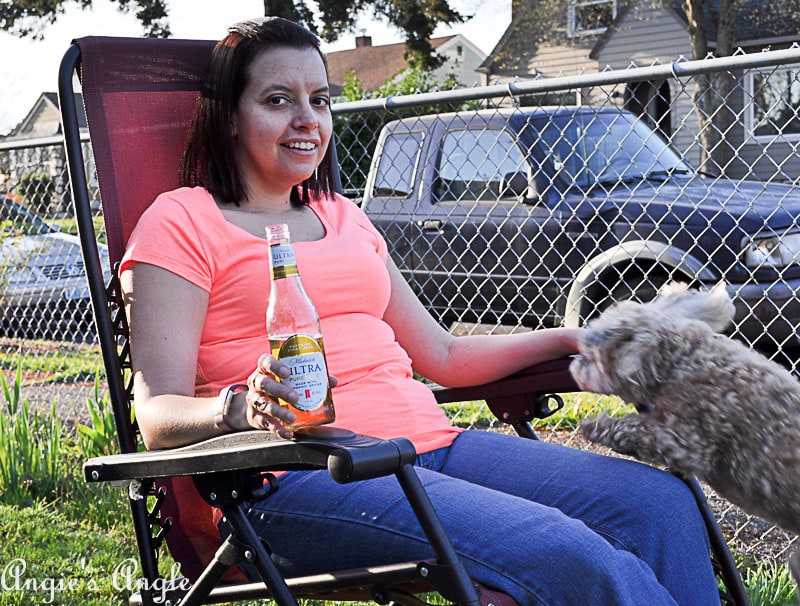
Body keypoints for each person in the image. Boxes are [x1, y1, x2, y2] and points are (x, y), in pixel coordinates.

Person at [119, 16, 720, 605]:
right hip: (299, 475)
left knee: (660, 505)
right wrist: (242, 410)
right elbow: (156, 414)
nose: (308, 120)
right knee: (567, 553)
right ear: (228, 116)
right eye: (278, 100)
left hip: (430, 446)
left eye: (320, 99)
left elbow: (444, 354)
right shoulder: (181, 222)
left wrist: (571, 339)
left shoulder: (342, 215)